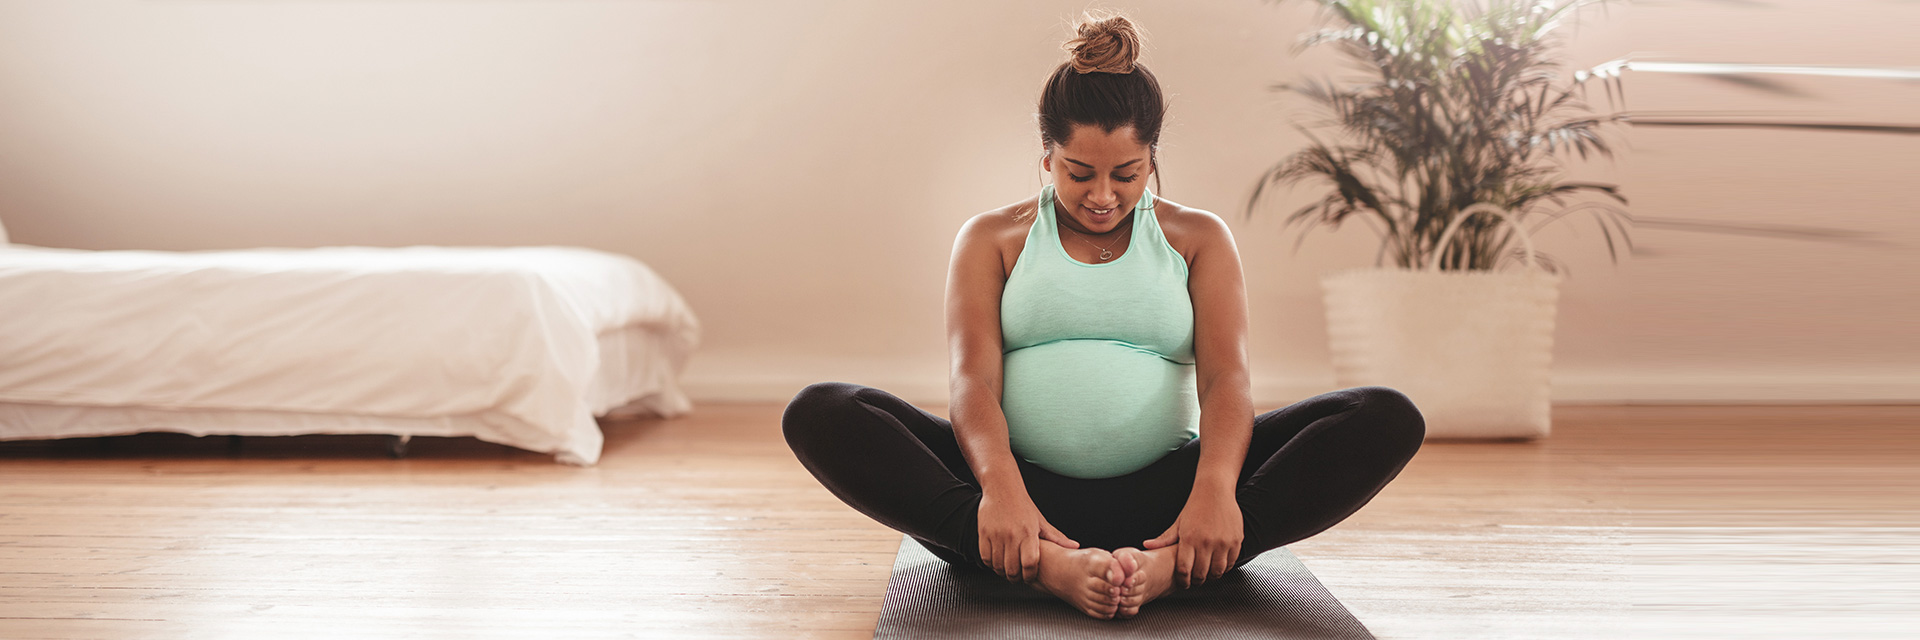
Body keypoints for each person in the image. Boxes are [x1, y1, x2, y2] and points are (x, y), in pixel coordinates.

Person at [782, 11, 1425, 620]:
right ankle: (1044, 564)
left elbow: (1227, 381)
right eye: (1079, 172)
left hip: (1167, 498)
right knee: (823, 410)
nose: (1102, 195)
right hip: (1017, 496)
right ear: (1046, 156)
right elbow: (972, 382)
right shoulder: (991, 239)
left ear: (1152, 159)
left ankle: (1176, 562)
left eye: (1127, 174)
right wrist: (1002, 491)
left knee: (1384, 416)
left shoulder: (1198, 238)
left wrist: (1215, 490)